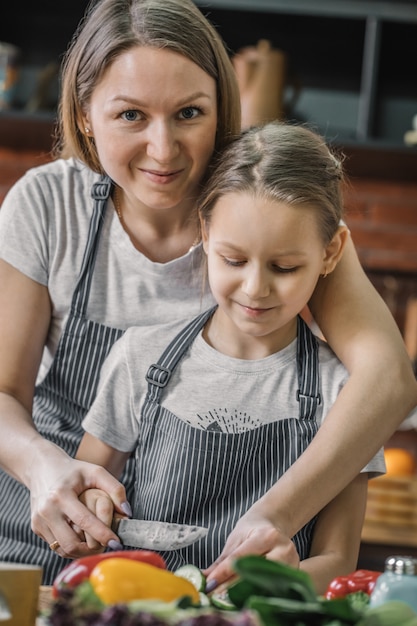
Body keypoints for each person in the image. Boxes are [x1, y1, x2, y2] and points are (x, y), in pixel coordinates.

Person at [0, 0, 415, 587]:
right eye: (130, 116)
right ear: (86, 115)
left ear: (222, 110)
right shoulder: (47, 206)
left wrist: (279, 515)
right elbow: (3, 393)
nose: (164, 150)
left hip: (205, 563)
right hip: (41, 520)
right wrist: (42, 466)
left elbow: (388, 379)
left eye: (189, 113)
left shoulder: (263, 207)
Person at [76, 121, 387, 595]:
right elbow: (88, 489)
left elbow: (338, 558)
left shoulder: (345, 393)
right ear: (205, 231)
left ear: (330, 253)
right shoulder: (141, 357)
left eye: (285, 267)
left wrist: (280, 582)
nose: (255, 289)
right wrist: (91, 509)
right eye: (234, 260)